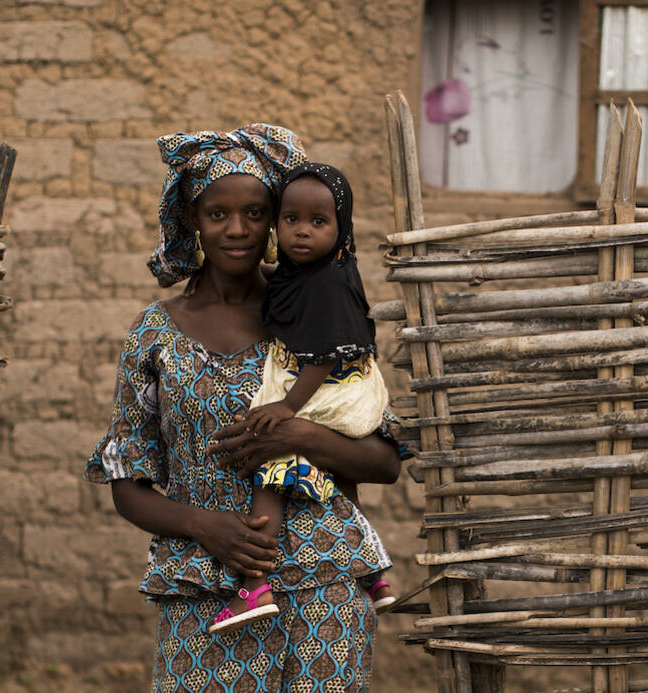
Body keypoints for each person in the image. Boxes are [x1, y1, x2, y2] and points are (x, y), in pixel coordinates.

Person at [83, 123, 404, 692]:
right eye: (218, 214)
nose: (237, 230)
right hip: (206, 592)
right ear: (193, 220)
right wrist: (202, 524)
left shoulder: (316, 308)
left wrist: (297, 436)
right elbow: (126, 483)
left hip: (323, 589)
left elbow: (384, 460)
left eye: (255, 213)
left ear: (275, 218)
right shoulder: (154, 335)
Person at [211, 163, 395, 633]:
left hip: (334, 390)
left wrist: (287, 408)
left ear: (341, 226)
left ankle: (254, 585)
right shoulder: (314, 273)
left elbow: (323, 356)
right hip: (349, 388)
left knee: (270, 462)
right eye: (291, 219)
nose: (302, 232)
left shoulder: (327, 284)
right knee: (339, 479)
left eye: (318, 222)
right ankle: (373, 573)